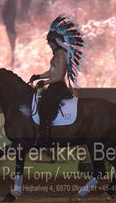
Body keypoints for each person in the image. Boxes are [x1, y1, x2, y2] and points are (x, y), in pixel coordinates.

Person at [29, 14, 84, 144]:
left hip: (58, 87)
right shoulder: (56, 56)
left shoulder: (62, 56)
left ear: (56, 42)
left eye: (50, 42)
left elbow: (58, 77)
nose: (49, 44)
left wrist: (44, 82)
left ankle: (46, 137)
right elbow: (51, 72)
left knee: (44, 106)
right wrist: (38, 76)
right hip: (53, 86)